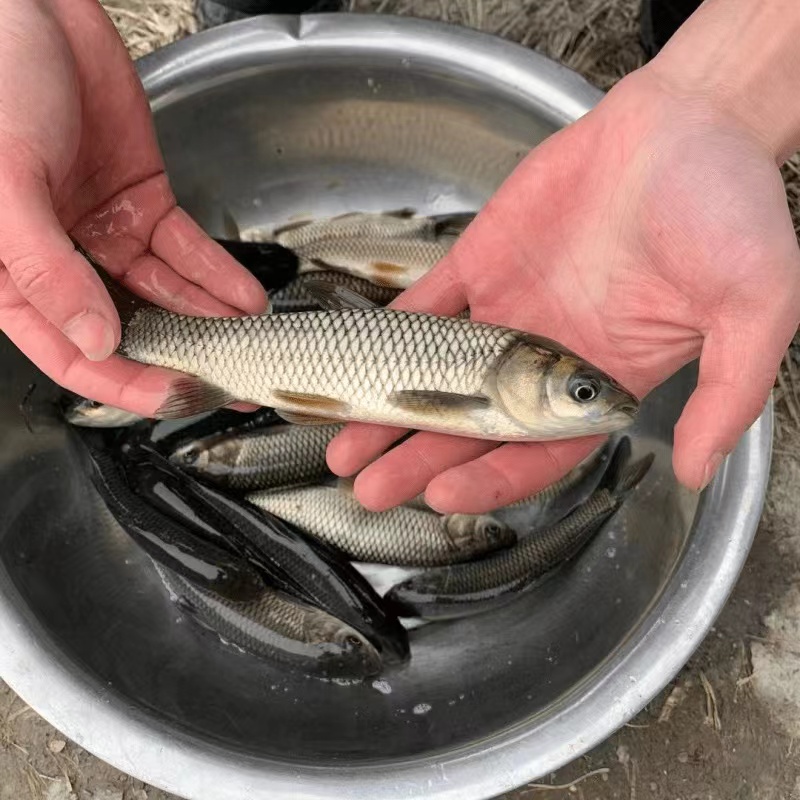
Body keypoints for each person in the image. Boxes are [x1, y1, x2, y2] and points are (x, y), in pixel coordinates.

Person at [0, 0, 797, 516]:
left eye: (583, 391)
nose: (595, 400)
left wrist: (718, 100)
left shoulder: (494, 386)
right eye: (581, 389)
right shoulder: (483, 390)